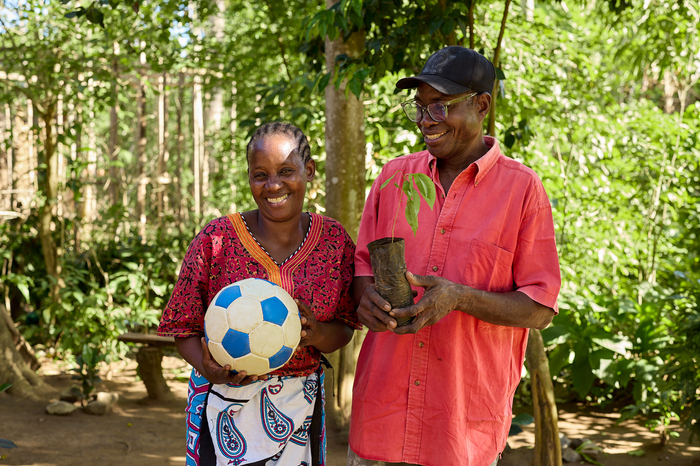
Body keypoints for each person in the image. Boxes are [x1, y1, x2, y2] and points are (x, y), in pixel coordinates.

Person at [347, 46, 561, 466]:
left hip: (462, 431)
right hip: (381, 419)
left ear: (482, 105)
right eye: (421, 107)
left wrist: (460, 297)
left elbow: (539, 307)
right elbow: (361, 267)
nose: (427, 121)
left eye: (441, 107)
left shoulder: (523, 191)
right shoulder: (394, 176)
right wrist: (364, 298)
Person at [158, 122, 360, 466]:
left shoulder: (334, 241)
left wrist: (319, 334)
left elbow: (346, 325)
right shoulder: (217, 238)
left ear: (308, 171)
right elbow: (181, 325)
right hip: (222, 405)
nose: (273, 185)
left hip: (301, 407)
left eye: (285, 171)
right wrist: (208, 369)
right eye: (260, 175)